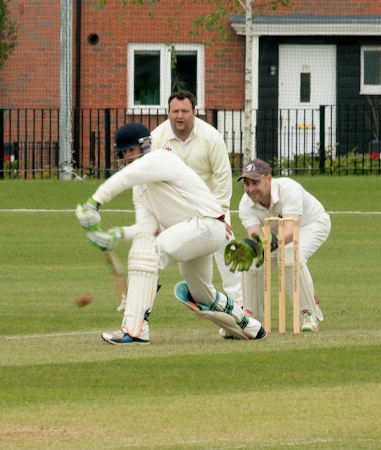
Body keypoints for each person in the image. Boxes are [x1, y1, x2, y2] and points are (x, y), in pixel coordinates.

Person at [75, 122, 267, 345]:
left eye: (130, 150)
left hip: (207, 226)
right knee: (201, 294)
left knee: (148, 251)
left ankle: (135, 329)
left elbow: (125, 177)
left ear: (145, 146)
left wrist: (93, 203)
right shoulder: (141, 187)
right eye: (123, 152)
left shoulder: (160, 158)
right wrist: (115, 235)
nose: (126, 156)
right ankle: (250, 327)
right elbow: (147, 226)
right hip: (192, 234)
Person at [149, 90, 244, 310]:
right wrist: (155, 216)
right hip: (175, 208)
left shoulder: (211, 136)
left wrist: (219, 216)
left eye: (184, 111)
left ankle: (239, 303)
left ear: (194, 112)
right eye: (175, 111)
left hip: (211, 205)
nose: (179, 116)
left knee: (226, 246)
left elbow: (222, 176)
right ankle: (149, 299)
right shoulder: (157, 138)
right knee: (161, 250)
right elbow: (150, 181)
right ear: (168, 112)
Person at [224, 159, 330, 333]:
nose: (251, 189)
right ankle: (251, 319)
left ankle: (308, 313)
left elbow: (291, 231)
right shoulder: (245, 204)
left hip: (312, 224)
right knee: (252, 261)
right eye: (247, 184)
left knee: (289, 255)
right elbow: (258, 239)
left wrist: (269, 242)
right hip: (277, 235)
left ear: (269, 179)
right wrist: (252, 248)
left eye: (255, 182)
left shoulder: (289, 189)